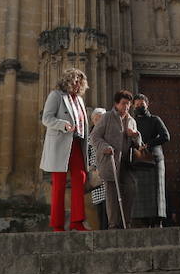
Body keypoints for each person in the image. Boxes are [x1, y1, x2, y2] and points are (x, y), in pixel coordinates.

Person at [39, 68, 90, 232]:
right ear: (67, 81)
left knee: (80, 178)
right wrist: (63, 125)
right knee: (59, 185)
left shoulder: (80, 100)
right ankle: (57, 224)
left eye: (80, 82)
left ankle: (77, 221)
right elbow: (46, 118)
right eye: (75, 81)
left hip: (76, 144)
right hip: (60, 144)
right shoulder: (56, 96)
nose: (77, 85)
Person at [89, 90, 140, 230]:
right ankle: (113, 225)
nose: (126, 107)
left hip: (126, 163)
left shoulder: (131, 120)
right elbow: (94, 136)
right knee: (112, 195)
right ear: (116, 104)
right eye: (124, 103)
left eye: (129, 104)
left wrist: (135, 135)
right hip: (110, 161)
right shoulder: (106, 117)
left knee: (130, 189)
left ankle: (127, 222)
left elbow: (138, 144)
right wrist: (105, 147)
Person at [130, 93, 170, 227]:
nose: (140, 107)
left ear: (147, 104)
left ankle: (158, 221)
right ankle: (143, 222)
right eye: (137, 105)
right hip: (140, 160)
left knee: (157, 192)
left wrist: (149, 144)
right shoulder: (131, 121)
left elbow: (166, 136)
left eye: (142, 104)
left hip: (155, 159)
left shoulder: (155, 119)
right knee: (141, 194)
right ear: (133, 106)